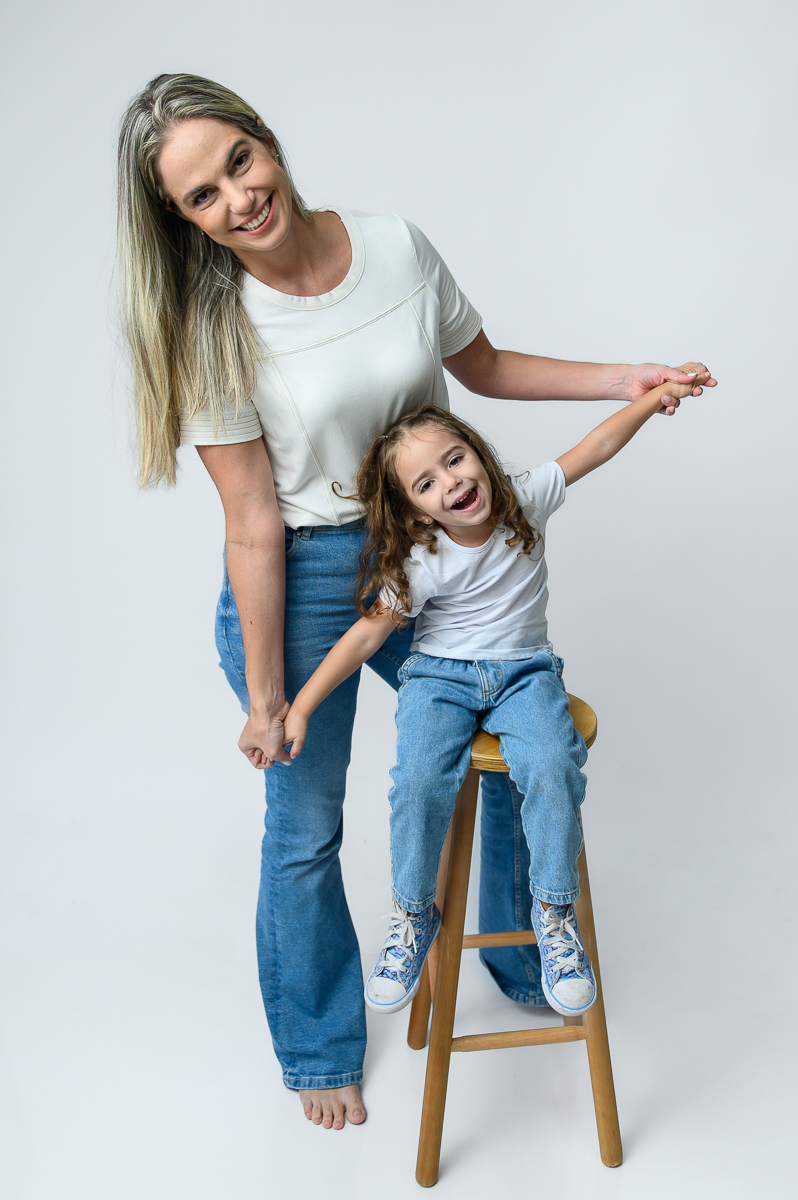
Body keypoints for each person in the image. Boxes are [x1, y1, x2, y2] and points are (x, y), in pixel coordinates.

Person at [116, 71, 715, 1129]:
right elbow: (252, 521)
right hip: (301, 574)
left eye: (239, 163)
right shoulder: (216, 330)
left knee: (512, 732)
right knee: (305, 823)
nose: (238, 200)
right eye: (202, 197)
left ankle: (526, 956)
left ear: (267, 139)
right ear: (185, 221)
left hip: (435, 546)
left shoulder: (392, 246)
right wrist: (267, 695)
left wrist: (623, 380)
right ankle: (318, 1047)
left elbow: (480, 366)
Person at [281, 379, 701, 1017]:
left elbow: (596, 445)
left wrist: (652, 398)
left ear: (477, 453)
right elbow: (364, 638)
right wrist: (302, 706)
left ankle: (553, 917)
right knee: (419, 779)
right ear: (418, 512)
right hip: (440, 680)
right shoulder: (421, 558)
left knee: (553, 764)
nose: (449, 483)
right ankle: (414, 913)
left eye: (454, 460)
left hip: (524, 675)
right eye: (426, 484)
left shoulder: (525, 502)